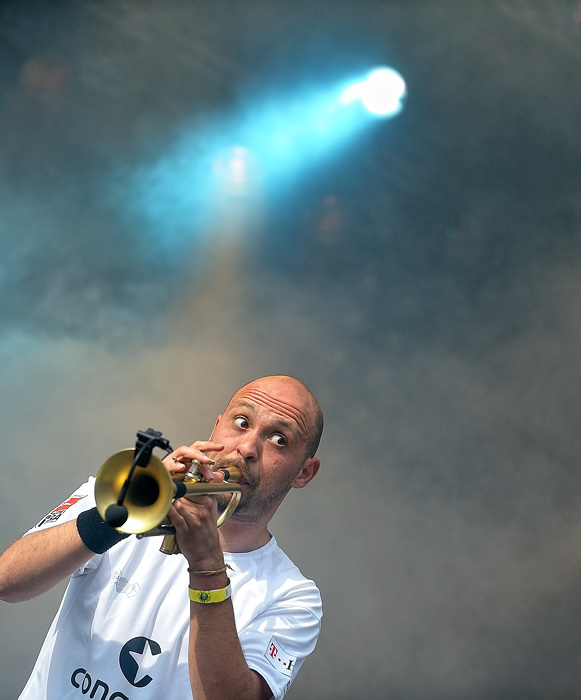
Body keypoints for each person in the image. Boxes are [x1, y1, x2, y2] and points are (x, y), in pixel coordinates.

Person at [0, 374, 323, 700]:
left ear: (304, 472)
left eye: (279, 440)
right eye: (241, 422)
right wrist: (124, 513)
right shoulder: (120, 497)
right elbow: (6, 581)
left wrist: (206, 564)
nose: (247, 448)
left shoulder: (294, 598)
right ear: (216, 427)